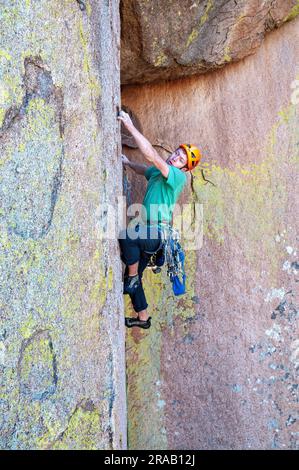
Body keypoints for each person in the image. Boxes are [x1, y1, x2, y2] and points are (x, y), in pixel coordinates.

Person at [117, 110, 201, 329]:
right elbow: (145, 168)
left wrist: (130, 127)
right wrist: (127, 162)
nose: (176, 157)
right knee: (134, 275)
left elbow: (151, 157)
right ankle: (143, 318)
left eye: (182, 159)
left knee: (127, 236)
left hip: (158, 233)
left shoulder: (176, 176)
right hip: (149, 232)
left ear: (185, 168)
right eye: (177, 153)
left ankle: (132, 278)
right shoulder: (158, 172)